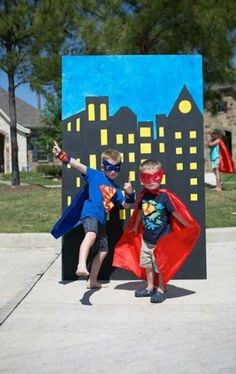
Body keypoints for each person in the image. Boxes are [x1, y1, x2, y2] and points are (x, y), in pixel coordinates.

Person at [113, 159, 201, 303]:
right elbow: (140, 211)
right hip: (147, 240)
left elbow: (175, 212)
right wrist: (135, 226)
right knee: (147, 265)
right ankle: (149, 287)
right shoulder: (144, 195)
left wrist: (188, 225)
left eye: (155, 177)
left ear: (161, 176)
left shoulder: (164, 196)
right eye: (147, 177)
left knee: (160, 266)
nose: (151, 181)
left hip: (162, 241)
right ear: (142, 179)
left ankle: (161, 289)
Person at [52, 141, 135, 289]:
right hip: (90, 213)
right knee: (91, 235)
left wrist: (129, 194)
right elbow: (77, 165)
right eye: (110, 168)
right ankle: (81, 264)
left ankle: (92, 280)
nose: (113, 172)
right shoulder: (94, 174)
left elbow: (125, 206)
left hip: (101, 220)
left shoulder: (115, 189)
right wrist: (60, 154)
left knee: (104, 250)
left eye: (116, 168)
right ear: (103, 167)